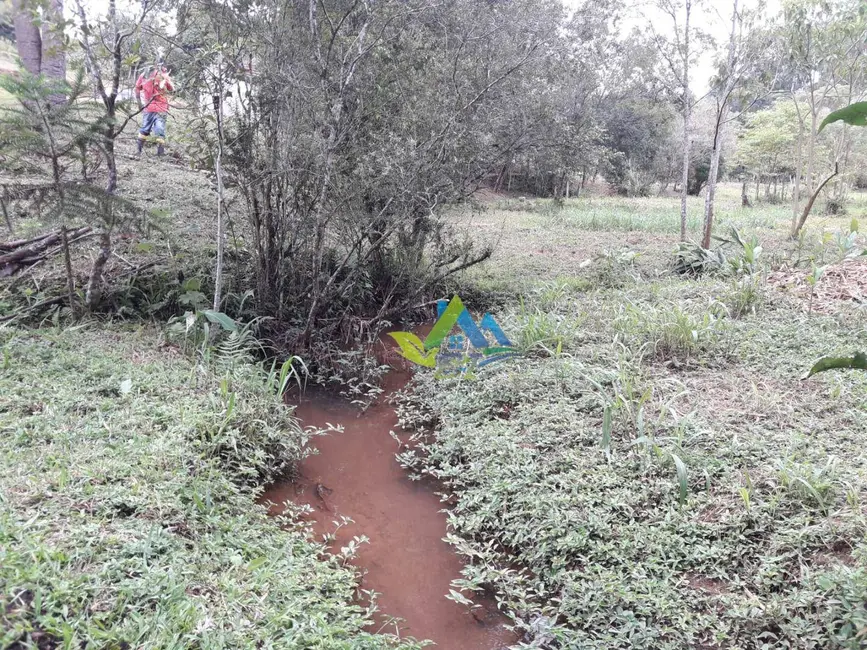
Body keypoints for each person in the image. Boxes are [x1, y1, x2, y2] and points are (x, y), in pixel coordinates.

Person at [134, 66, 174, 156]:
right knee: (148, 129)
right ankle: (139, 151)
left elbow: (171, 89)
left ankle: (159, 153)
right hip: (150, 108)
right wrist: (139, 102)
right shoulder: (144, 75)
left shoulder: (162, 76)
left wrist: (139, 102)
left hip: (160, 108)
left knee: (157, 130)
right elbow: (137, 88)